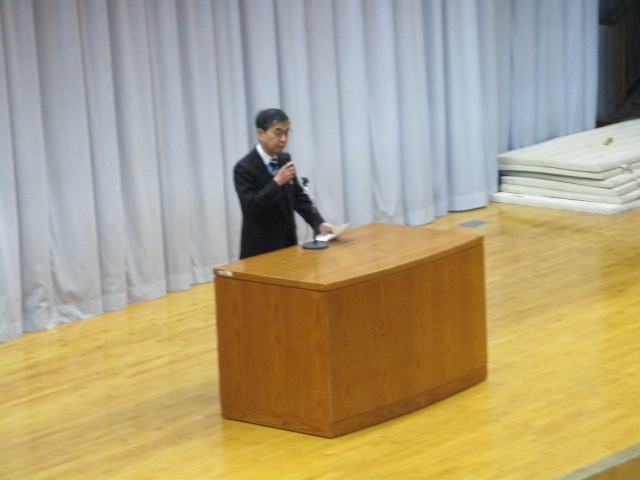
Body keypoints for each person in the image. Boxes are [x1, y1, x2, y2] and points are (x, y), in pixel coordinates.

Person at [234, 108, 338, 259]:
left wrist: (319, 223)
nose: (283, 139)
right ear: (260, 134)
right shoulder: (244, 168)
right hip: (260, 250)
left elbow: (298, 197)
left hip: (288, 245)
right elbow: (251, 206)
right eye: (278, 133)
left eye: (287, 132)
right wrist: (276, 182)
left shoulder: (284, 159)